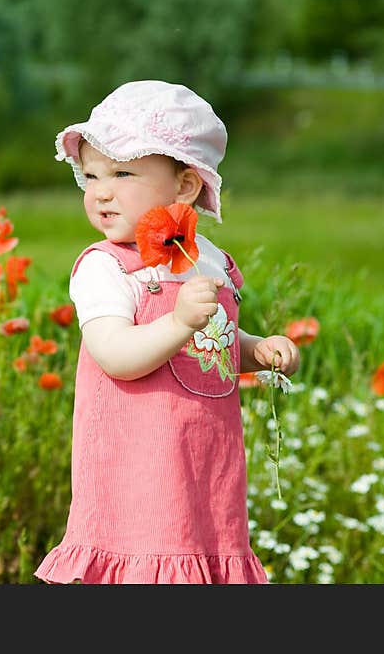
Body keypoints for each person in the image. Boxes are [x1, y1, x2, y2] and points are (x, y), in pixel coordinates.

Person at [34, 80, 300, 584]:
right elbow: (114, 353)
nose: (101, 191)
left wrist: (257, 350)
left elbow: (211, 345)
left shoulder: (210, 262)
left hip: (206, 473)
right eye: (90, 176)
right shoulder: (107, 268)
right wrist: (178, 321)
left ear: (184, 186)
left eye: (122, 172)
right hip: (139, 475)